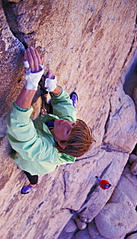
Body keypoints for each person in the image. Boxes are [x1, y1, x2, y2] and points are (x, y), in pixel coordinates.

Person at [6, 46, 93, 194]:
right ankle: (64, 107)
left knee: (30, 172)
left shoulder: (44, 151)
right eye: (73, 124)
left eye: (68, 130)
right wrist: (53, 88)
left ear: (61, 144)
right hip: (49, 132)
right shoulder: (66, 124)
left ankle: (33, 185)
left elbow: (19, 126)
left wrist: (32, 83)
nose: (67, 123)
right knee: (65, 111)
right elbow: (64, 102)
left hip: (34, 163)